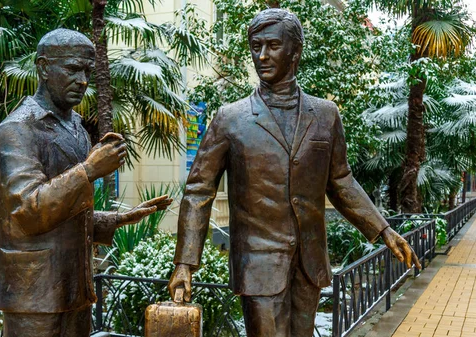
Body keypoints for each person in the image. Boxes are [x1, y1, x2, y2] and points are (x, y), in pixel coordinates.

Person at [168, 9, 421, 337]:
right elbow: (199, 189)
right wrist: (185, 263)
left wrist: (384, 231)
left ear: (295, 51)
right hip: (257, 265)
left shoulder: (326, 115)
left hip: (309, 263)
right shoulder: (230, 118)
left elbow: (341, 181)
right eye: (255, 46)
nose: (261, 55)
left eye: (272, 45)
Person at [0, 28, 172, 337]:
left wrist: (117, 218)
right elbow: (27, 211)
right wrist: (88, 170)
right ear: (44, 67)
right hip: (33, 296)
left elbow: (64, 213)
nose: (83, 81)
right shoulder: (16, 131)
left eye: (88, 71)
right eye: (73, 69)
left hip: (74, 289)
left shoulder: (74, 127)